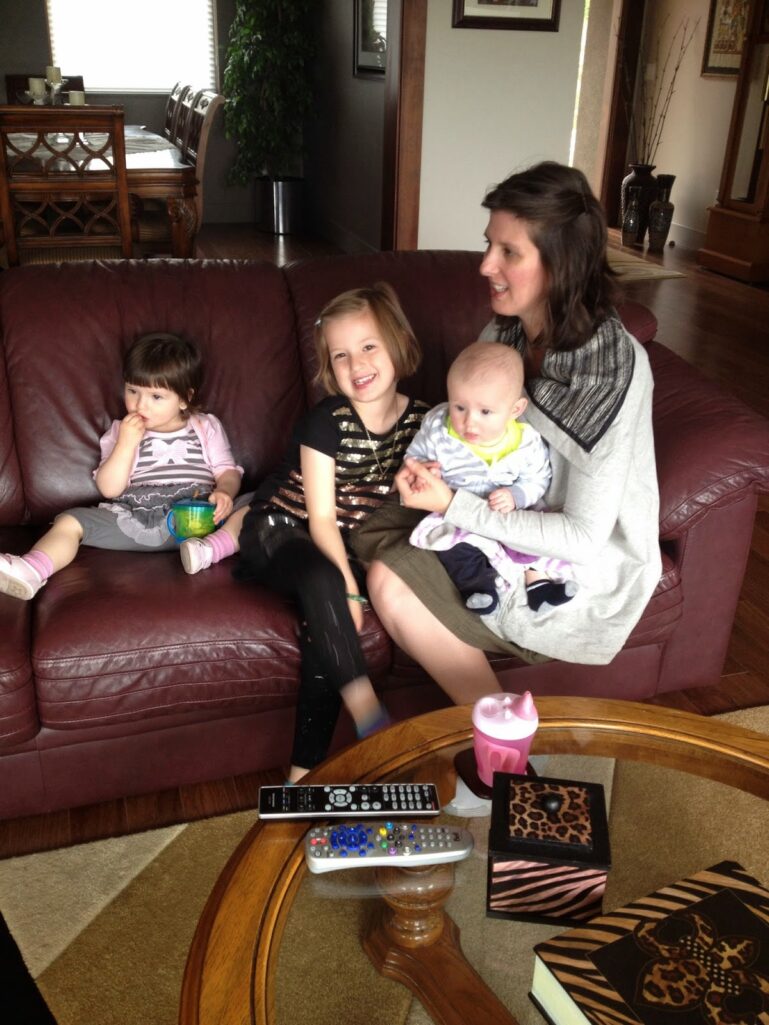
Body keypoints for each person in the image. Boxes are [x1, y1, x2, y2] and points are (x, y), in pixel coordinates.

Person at [353, 161, 662, 705]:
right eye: (488, 244)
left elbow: (583, 538)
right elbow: (471, 433)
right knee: (358, 520)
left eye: (508, 252)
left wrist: (454, 506)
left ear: (560, 266)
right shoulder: (505, 333)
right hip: (490, 511)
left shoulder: (613, 371)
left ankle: (502, 741)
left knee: (389, 580)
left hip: (564, 555)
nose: (485, 265)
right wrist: (425, 469)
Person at [236, 282, 428, 782]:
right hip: (280, 527)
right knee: (326, 584)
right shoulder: (327, 421)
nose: (356, 364)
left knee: (325, 625)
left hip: (341, 542)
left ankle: (302, 774)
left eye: (368, 346)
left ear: (398, 343)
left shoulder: (425, 423)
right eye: (340, 355)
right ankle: (371, 717)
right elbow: (319, 518)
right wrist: (349, 588)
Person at [0, 332, 245, 601]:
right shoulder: (120, 431)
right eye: (132, 391)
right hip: (136, 519)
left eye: (156, 396)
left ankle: (210, 550)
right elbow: (110, 489)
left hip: (196, 521)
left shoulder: (205, 425)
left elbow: (227, 470)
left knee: (260, 502)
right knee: (69, 521)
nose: (140, 405)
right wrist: (126, 444)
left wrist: (225, 491)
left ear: (185, 398)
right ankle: (32, 569)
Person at [407, 340, 575, 615]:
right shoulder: (438, 429)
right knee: (452, 547)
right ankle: (479, 587)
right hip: (457, 511)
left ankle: (538, 583)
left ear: (515, 410)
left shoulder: (525, 443)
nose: (469, 422)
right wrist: (425, 472)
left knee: (534, 535)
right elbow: (413, 458)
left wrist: (516, 496)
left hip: (507, 512)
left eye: (485, 412)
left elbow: (538, 479)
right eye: (459, 407)